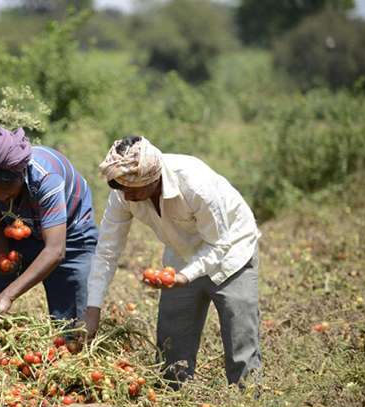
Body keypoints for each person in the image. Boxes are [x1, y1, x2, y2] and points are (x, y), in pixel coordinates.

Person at [84, 135, 262, 387]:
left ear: (153, 178)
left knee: (240, 337)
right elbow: (107, 251)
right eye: (121, 188)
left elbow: (219, 244)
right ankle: (173, 398)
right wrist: (93, 309)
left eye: (134, 190)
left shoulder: (195, 183)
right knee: (172, 348)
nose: (127, 196)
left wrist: (185, 277)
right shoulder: (124, 192)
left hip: (232, 251)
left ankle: (248, 403)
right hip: (181, 254)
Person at [0, 126, 98, 321]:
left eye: (9, 194)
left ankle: (69, 339)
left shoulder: (46, 179)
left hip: (69, 234)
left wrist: (6, 297)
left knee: (70, 324)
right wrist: (3, 258)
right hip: (17, 228)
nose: (3, 200)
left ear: (21, 175)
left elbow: (55, 250)